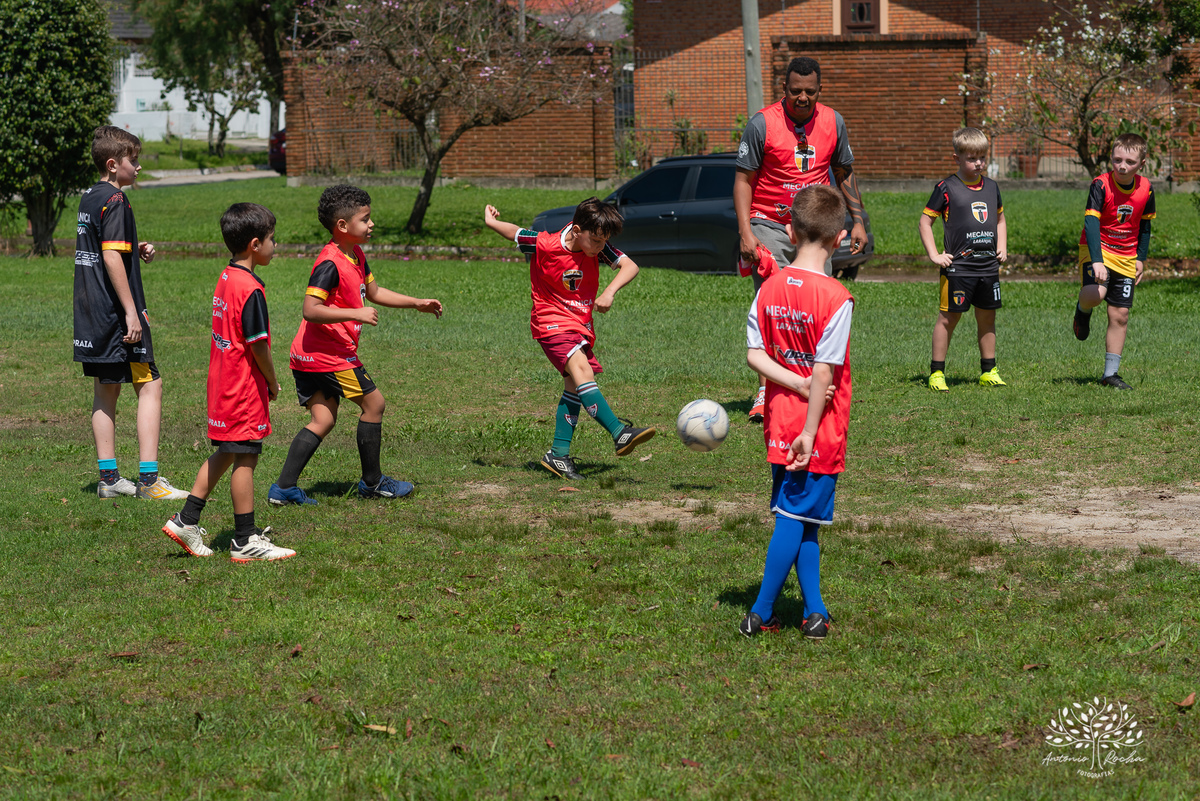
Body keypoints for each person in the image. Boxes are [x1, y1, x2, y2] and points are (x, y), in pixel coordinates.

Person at [268, 185, 443, 505]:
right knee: (374, 405)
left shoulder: (355, 254)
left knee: (323, 420)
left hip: (306, 354)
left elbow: (374, 293)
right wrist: (355, 312)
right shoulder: (330, 263)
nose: (371, 224)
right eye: (365, 219)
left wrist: (416, 303)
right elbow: (310, 309)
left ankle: (283, 488)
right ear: (343, 226)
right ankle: (373, 483)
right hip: (327, 356)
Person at [740, 185, 854, 641]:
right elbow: (824, 373)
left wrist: (793, 383)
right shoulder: (836, 297)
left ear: (788, 230)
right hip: (815, 430)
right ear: (839, 237)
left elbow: (755, 356)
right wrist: (809, 428)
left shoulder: (769, 287)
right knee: (794, 515)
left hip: (778, 420)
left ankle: (815, 612)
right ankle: (760, 611)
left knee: (803, 517)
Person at [734, 56, 868, 424]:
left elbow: (844, 172)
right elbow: (743, 181)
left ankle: (814, 380)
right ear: (784, 89)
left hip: (813, 225)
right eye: (795, 91)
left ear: (819, 90)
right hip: (769, 222)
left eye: (810, 91)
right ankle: (766, 389)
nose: (803, 98)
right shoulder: (762, 124)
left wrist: (858, 221)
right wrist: (746, 231)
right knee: (774, 296)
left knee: (817, 300)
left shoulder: (833, 122)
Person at [483, 197, 655, 480]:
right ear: (577, 230)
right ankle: (619, 432)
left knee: (574, 388)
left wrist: (609, 292)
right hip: (550, 322)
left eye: (604, 242)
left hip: (579, 325)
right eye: (597, 241)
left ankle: (558, 455)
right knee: (582, 371)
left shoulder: (597, 246)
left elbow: (630, 266)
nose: (601, 247)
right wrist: (491, 221)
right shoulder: (545, 244)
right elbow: (515, 232)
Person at [162, 204, 295, 561]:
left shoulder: (226, 276)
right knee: (246, 458)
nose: (275, 246)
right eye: (271, 240)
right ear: (255, 244)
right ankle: (244, 539)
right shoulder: (250, 288)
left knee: (227, 451)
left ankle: (185, 520)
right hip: (242, 389)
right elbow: (258, 345)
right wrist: (272, 380)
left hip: (221, 384)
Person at [73, 126, 187, 501]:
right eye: (132, 161)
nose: (138, 167)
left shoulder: (91, 196)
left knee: (105, 391)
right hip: (117, 315)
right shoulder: (117, 200)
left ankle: (108, 480)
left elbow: (105, 246)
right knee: (150, 385)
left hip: (91, 312)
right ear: (112, 164)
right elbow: (108, 255)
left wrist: (135, 249)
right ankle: (150, 482)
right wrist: (132, 313)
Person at [919, 127, 1008, 391]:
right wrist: (935, 255)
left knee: (987, 318)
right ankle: (936, 373)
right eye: (971, 158)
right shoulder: (946, 187)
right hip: (958, 269)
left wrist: (1001, 246)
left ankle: (989, 370)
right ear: (956, 157)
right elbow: (925, 222)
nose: (978, 163)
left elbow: (1000, 219)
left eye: (982, 157)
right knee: (948, 319)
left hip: (988, 267)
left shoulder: (992, 187)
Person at [1071, 133, 1156, 389]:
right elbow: (1092, 221)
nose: (1122, 166)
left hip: (1127, 255)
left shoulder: (1146, 188)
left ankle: (1110, 375)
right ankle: (1082, 311)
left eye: (1129, 161)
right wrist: (1097, 261)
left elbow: (1145, 226)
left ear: (1142, 163)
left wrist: (1140, 258)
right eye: (1117, 159)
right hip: (1097, 249)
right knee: (1096, 293)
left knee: (1120, 314)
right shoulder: (1101, 184)